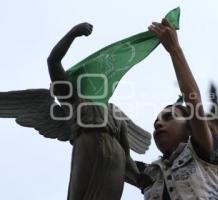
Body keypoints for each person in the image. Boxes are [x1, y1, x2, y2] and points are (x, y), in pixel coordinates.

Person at [47, 23, 151, 200]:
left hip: (116, 160)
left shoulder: (113, 114)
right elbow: (53, 61)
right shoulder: (74, 97)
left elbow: (126, 152)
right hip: (88, 145)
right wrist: (73, 33)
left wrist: (137, 176)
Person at [140, 18, 218, 200]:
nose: (158, 125)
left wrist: (174, 50)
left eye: (169, 117)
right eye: (156, 122)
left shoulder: (203, 152)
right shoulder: (149, 174)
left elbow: (192, 98)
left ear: (190, 125)